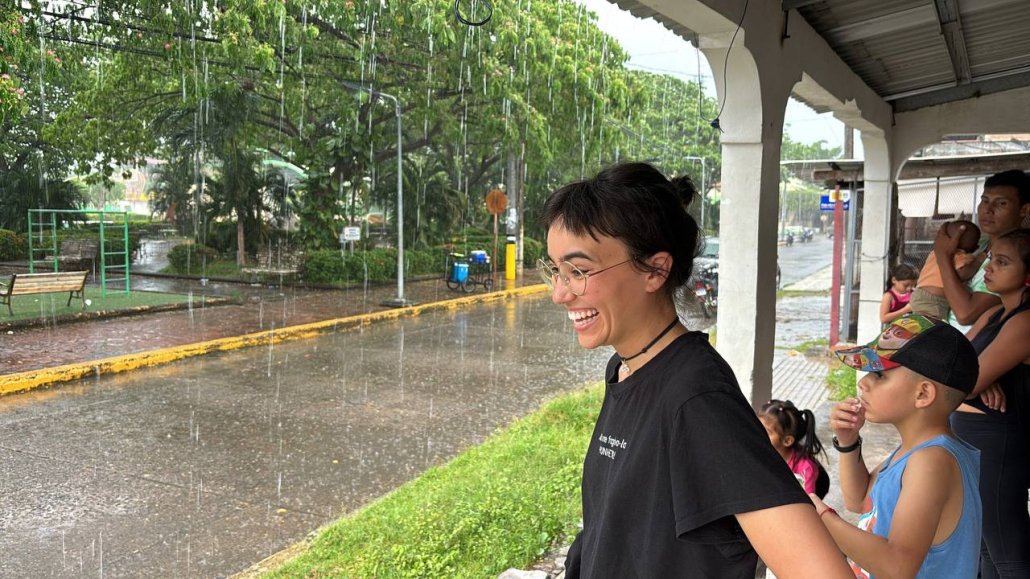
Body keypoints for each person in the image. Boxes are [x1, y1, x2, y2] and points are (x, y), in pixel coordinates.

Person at [539, 162, 853, 578]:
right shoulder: (626, 367)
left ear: (655, 269)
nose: (560, 294)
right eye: (556, 271)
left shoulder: (697, 399)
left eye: (578, 271)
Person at [812, 314, 982, 578]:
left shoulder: (932, 461)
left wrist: (821, 517)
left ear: (923, 394)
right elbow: (859, 500)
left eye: (879, 375)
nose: (863, 382)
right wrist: (848, 442)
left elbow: (897, 567)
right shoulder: (914, 451)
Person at [950, 228, 1030, 578]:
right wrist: (978, 374)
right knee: (984, 545)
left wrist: (975, 377)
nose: (989, 267)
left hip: (1001, 443)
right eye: (992, 258)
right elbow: (951, 356)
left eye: (1003, 262)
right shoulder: (996, 313)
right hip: (976, 442)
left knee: (1008, 552)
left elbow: (963, 380)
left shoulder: (1025, 321)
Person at [935, 169, 1030, 331]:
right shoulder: (980, 245)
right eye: (985, 201)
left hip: (973, 344)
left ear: (1024, 210)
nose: (988, 209)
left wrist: (942, 256)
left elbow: (966, 314)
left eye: (1001, 203)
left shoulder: (1016, 256)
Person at [909, 220, 981, 320]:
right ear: (976, 248)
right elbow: (963, 273)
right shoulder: (962, 257)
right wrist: (979, 262)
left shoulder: (935, 252)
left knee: (922, 323)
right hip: (934, 300)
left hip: (920, 293)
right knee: (933, 326)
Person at [758, 399, 830, 498]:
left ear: (787, 441)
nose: (757, 433)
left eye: (766, 432)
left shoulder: (805, 470)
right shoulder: (760, 451)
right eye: (756, 426)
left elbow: (807, 504)